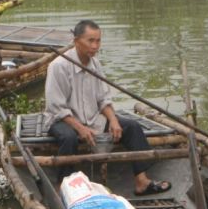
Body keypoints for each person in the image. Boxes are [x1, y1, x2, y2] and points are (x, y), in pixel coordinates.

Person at [44, 20, 171, 196]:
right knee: (69, 138)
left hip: (92, 118)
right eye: (90, 41)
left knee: (132, 127)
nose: (95, 46)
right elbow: (56, 107)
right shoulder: (59, 66)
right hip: (62, 120)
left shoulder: (95, 64)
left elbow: (104, 99)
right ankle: (62, 187)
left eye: (98, 41)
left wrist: (113, 120)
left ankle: (141, 181)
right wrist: (80, 128)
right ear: (76, 41)